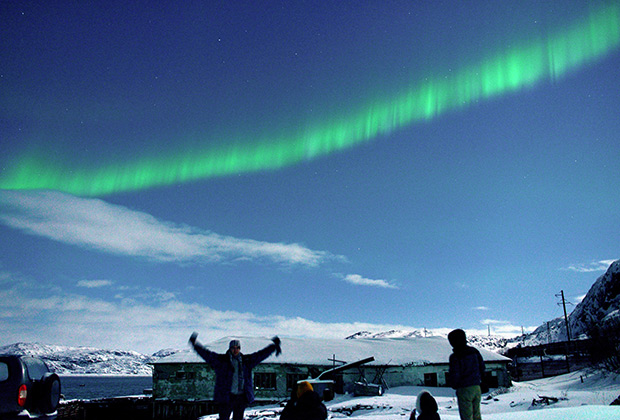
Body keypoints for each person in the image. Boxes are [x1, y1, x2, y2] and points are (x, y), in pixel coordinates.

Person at [189, 332, 282, 420]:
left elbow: (260, 355)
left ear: (240, 348)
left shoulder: (246, 361)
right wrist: (195, 345)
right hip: (226, 397)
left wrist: (274, 347)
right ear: (230, 348)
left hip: (241, 397)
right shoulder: (222, 361)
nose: (235, 350)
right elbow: (207, 355)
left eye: (237, 347)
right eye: (233, 347)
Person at [447, 329, 485, 420]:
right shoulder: (474, 351)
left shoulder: (455, 356)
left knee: (466, 416)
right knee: (477, 415)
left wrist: (454, 384)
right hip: (477, 387)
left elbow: (455, 373)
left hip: (464, 388)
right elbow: (482, 367)